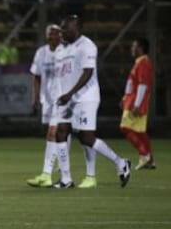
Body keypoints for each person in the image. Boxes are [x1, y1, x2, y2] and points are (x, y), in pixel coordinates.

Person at [53, 15, 131, 189]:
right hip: (68, 98)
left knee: (86, 138)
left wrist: (69, 93)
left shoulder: (87, 46)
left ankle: (120, 163)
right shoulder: (64, 48)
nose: (63, 32)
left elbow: (87, 73)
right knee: (61, 132)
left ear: (76, 28)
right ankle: (66, 179)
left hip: (86, 97)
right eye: (62, 29)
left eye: (66, 29)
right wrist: (61, 94)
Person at [26, 24, 69, 187]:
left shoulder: (65, 52)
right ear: (46, 36)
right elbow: (36, 76)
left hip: (64, 99)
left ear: (61, 36)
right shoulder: (41, 53)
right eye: (50, 34)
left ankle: (49, 174)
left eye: (56, 34)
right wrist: (35, 97)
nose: (53, 37)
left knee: (54, 133)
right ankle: (59, 172)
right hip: (48, 99)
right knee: (59, 134)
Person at [120, 38, 156, 170]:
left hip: (134, 103)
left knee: (125, 128)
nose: (132, 49)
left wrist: (136, 104)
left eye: (134, 46)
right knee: (140, 132)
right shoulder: (140, 62)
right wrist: (125, 98)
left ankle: (144, 154)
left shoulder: (143, 63)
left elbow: (142, 84)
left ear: (140, 48)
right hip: (132, 101)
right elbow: (133, 84)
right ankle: (150, 160)